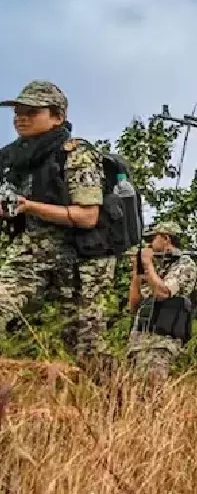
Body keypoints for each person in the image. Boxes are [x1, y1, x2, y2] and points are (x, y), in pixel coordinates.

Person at [0, 80, 114, 373]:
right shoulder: (13, 158)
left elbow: (88, 215)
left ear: (58, 117)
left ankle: (118, 408)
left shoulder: (77, 155)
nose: (20, 118)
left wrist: (28, 206)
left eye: (31, 111)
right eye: (18, 111)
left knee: (86, 350)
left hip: (82, 263)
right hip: (31, 253)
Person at [127, 220, 197, 385]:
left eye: (153, 239)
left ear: (166, 238)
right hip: (138, 342)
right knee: (131, 396)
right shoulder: (156, 268)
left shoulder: (185, 264)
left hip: (161, 343)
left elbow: (163, 292)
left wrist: (147, 264)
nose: (149, 244)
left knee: (152, 394)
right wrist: (137, 273)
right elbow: (134, 305)